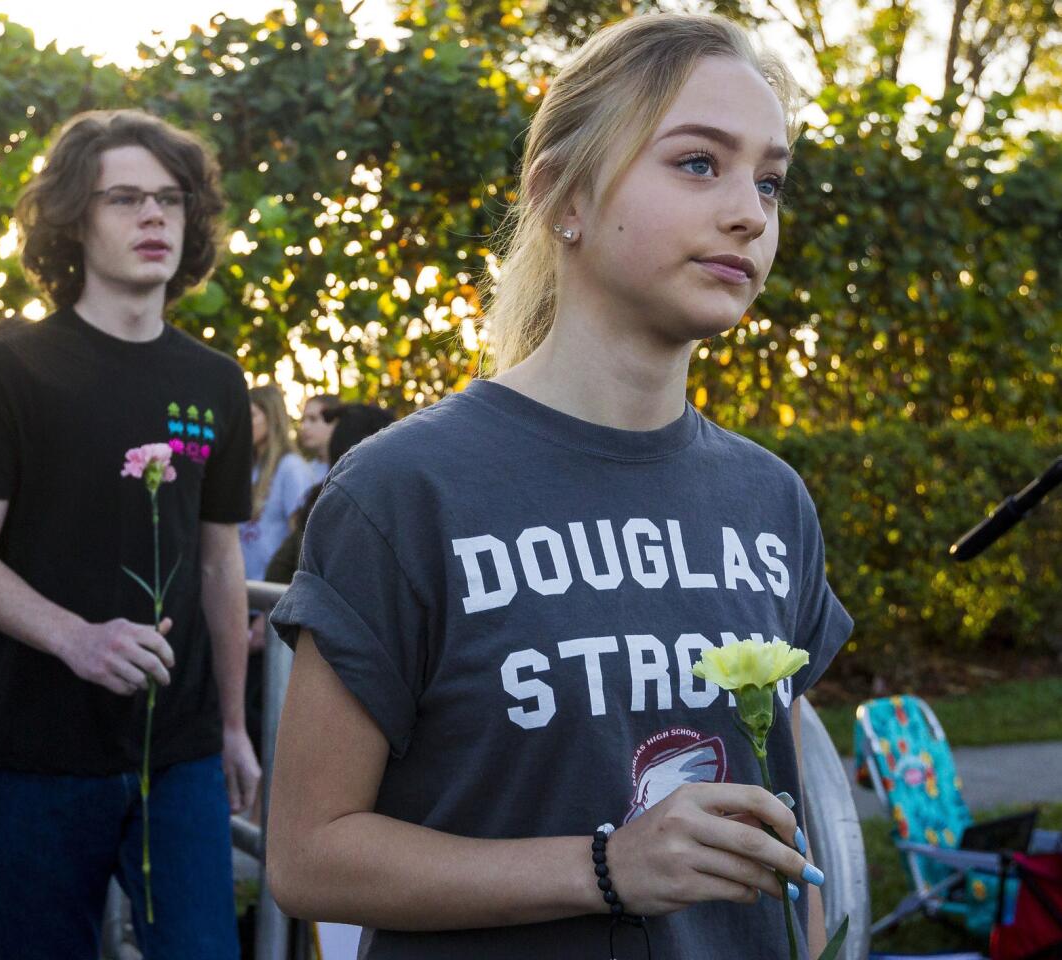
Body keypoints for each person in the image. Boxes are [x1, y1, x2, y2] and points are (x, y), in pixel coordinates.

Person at [266, 13, 853, 959]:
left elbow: (778, 806)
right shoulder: (403, 489)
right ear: (560, 196)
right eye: (698, 163)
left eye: (771, 180)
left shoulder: (770, 500)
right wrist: (605, 868)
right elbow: (307, 854)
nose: (749, 209)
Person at [0, 108, 258, 960]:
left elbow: (222, 562)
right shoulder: (9, 367)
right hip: (42, 751)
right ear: (74, 219)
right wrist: (75, 639)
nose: (154, 216)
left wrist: (232, 727)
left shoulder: (217, 380)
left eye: (169, 199)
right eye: (124, 198)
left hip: (181, 754)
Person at [263, 402, 397, 586]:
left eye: (313, 419)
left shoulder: (320, 496)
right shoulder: (382, 506)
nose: (306, 427)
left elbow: (280, 569)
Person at [241, 384, 316, 584]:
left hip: (272, 594)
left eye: (252, 415)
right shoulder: (249, 466)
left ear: (271, 418)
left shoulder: (291, 468)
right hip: (244, 590)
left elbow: (300, 541)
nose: (245, 423)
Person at [296, 393, 339, 485]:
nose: (304, 427)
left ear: (335, 423)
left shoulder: (348, 469)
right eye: (303, 420)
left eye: (313, 419)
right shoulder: (301, 471)